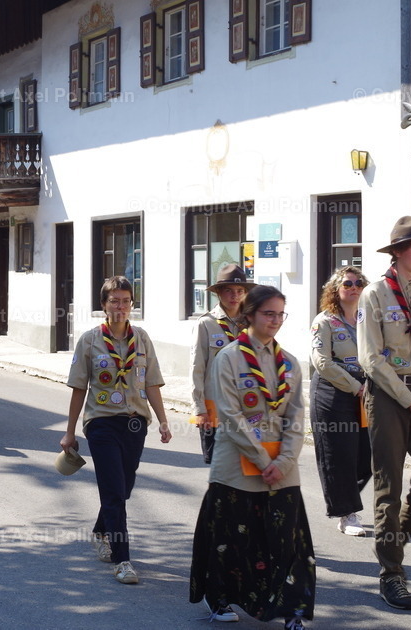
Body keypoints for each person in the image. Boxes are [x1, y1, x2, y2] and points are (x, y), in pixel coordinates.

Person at [189, 285, 313, 629]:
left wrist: (284, 463)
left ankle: (291, 611)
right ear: (250, 315)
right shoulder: (228, 358)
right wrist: (263, 462)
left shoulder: (289, 362)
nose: (274, 321)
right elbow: (230, 417)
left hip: (282, 470)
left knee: (286, 541)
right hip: (236, 468)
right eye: (267, 313)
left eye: (279, 314)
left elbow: (296, 417)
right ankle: (221, 599)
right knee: (231, 540)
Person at [61, 276, 170, 586]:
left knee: (123, 488)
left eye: (125, 301)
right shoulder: (90, 340)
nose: (120, 307)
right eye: (114, 301)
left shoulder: (143, 339)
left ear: (132, 304)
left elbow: (152, 382)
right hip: (102, 423)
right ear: (104, 305)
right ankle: (123, 560)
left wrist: (162, 420)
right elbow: (79, 388)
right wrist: (70, 432)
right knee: (112, 491)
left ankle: (100, 530)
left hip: (135, 423)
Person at [357, 216, 411, 611]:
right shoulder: (374, 294)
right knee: (388, 487)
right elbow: (370, 359)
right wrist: (409, 399)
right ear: (399, 252)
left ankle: (391, 543)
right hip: (390, 393)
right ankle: (392, 574)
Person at [309, 266, 371, 537]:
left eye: (358, 283)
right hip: (332, 393)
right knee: (339, 454)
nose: (354, 287)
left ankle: (343, 497)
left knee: (368, 456)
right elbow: (322, 362)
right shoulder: (324, 321)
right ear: (335, 290)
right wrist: (356, 387)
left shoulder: (368, 318)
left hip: (366, 391)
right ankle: (347, 514)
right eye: (347, 283)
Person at [191, 264, 252, 466]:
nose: (235, 296)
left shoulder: (253, 323)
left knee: (246, 467)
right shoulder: (206, 323)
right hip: (214, 407)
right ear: (218, 292)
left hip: (248, 407)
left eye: (240, 291)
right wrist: (199, 408)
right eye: (229, 291)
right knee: (219, 467)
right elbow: (197, 368)